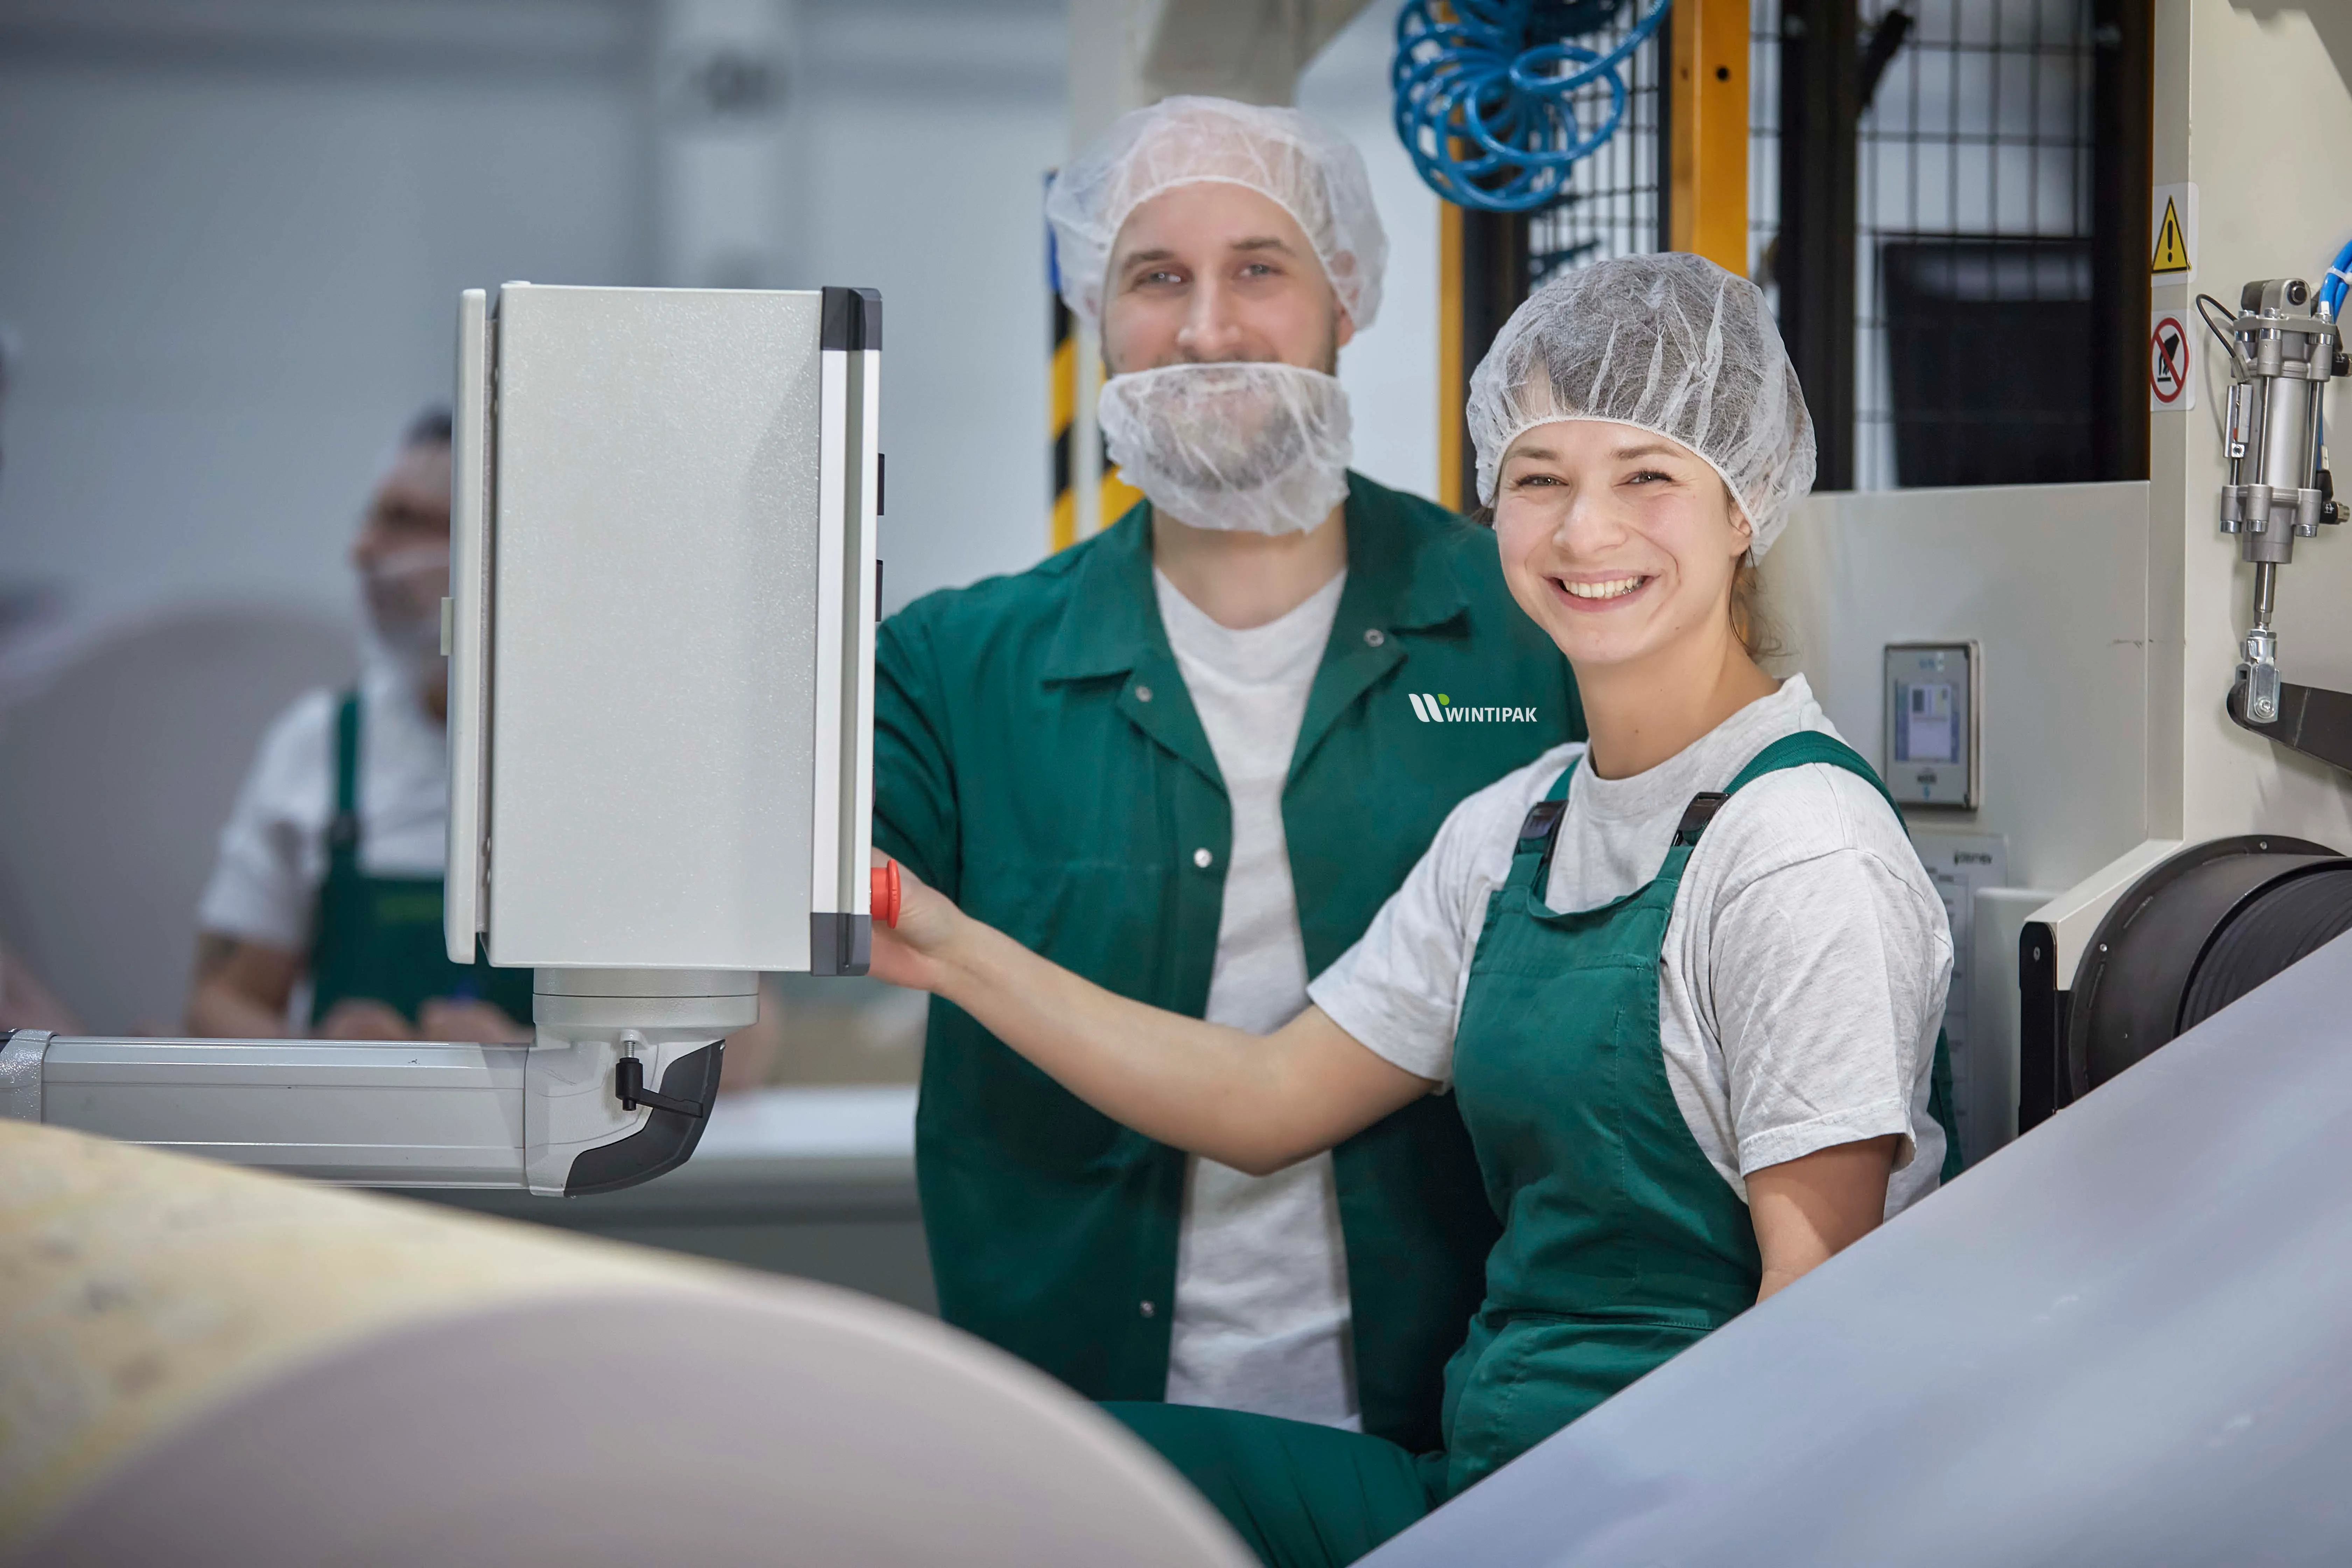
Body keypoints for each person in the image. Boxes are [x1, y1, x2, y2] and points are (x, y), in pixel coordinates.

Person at [873, 251, 1962, 1566]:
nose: (1585, 534)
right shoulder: (1523, 823)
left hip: (1679, 1523)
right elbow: (1267, 1099)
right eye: (1539, 480)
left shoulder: (1797, 848)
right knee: (1015, 1480)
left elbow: (1815, 1326)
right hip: (1491, 1490)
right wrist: (946, 947)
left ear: (1746, 506)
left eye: (1648, 478)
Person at [875, 96, 1583, 1448]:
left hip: (1455, 1435)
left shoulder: (1524, 629)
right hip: (1083, 1443)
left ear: (1346, 296)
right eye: (1156, 277)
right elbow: (776, 880)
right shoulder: (954, 670)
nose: (1206, 329)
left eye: (1259, 268)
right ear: (1095, 313)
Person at [185, 407, 534, 1043]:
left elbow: (721, 1045)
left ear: (499, 548)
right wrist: (327, 1059)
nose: (362, 550)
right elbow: (216, 1004)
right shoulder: (322, 744)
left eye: (404, 520)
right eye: (370, 518)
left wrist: (532, 1058)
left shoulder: (608, 769)